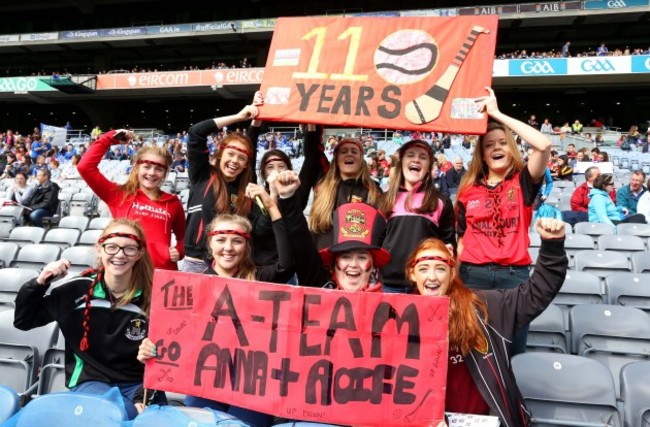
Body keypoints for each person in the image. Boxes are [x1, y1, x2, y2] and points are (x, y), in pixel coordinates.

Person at [139, 185, 292, 427]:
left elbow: (286, 264)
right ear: (210, 246)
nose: (228, 248)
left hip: (251, 386)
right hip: (204, 381)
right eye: (221, 240)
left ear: (247, 247)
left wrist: (272, 206)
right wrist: (151, 346)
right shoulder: (191, 286)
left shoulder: (260, 278)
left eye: (237, 241)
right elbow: (174, 332)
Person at [406, 218, 568, 427]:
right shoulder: (400, 320)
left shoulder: (485, 306)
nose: (432, 277)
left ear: (452, 273)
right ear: (412, 274)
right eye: (424, 269)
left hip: (487, 419)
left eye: (440, 268)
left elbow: (536, 293)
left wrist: (552, 247)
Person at [13, 219, 165, 420]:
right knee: (113, 415)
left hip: (141, 384)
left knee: (145, 418)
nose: (119, 254)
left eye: (129, 248)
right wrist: (39, 283)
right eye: (111, 247)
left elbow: (169, 358)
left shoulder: (157, 297)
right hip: (91, 381)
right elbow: (24, 320)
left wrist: (144, 394)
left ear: (140, 253)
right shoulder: (75, 292)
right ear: (99, 249)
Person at [456, 87, 551, 355]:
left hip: (514, 278)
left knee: (513, 349)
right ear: (482, 156)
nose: (496, 148)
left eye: (501, 143)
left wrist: (497, 114)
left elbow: (543, 145)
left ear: (510, 149)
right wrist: (455, 276)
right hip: (473, 275)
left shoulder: (523, 181)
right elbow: (461, 239)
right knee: (472, 348)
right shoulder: (467, 191)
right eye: (489, 145)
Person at [78, 129, 185, 271]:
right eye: (146, 167)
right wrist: (110, 138)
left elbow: (184, 239)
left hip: (161, 274)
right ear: (136, 169)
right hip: (124, 273)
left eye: (159, 169)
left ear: (165, 174)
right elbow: (85, 167)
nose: (152, 173)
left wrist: (179, 251)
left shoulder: (173, 202)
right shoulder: (119, 195)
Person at [183, 99, 262, 273]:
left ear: (246, 165)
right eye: (231, 154)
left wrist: (258, 119)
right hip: (197, 264)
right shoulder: (203, 175)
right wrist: (239, 117)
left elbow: (252, 146)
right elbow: (196, 133)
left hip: (232, 265)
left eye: (241, 158)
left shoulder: (245, 190)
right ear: (220, 155)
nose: (235, 161)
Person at [379, 139, 456, 294]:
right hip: (389, 286)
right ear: (401, 163)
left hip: (427, 287)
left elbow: (448, 243)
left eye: (422, 157)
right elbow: (377, 243)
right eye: (410, 155)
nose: (416, 159)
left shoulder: (441, 201)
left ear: (429, 167)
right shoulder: (383, 200)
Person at [299, 125, 382, 250]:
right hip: (321, 261)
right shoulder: (323, 180)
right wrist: (312, 126)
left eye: (354, 152)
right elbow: (313, 150)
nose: (349, 154)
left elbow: (381, 228)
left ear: (361, 160)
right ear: (336, 159)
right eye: (344, 151)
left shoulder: (373, 190)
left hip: (354, 263)